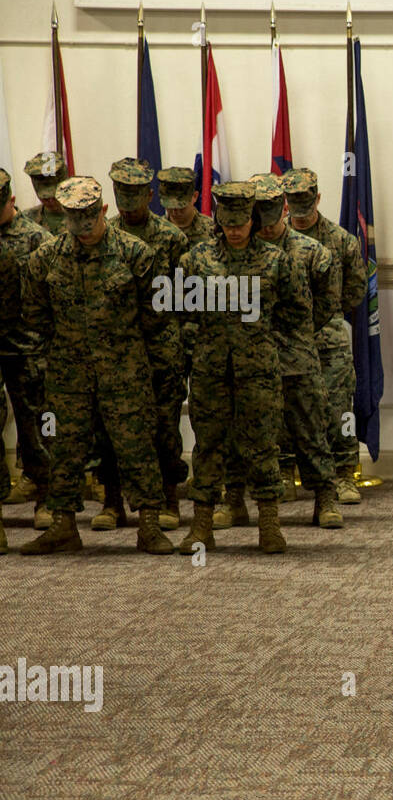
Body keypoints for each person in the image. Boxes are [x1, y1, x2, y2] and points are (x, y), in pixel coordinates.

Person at [19, 177, 175, 556]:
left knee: (136, 445)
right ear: (65, 216)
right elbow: (35, 313)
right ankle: (62, 525)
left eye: (90, 217)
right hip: (68, 371)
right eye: (75, 219)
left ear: (103, 210)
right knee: (64, 448)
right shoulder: (46, 257)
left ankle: (150, 524)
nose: (84, 227)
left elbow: (156, 315)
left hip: (124, 370)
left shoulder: (135, 254)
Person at [178, 181, 311, 555]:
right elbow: (181, 312)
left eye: (241, 223)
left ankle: (269, 523)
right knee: (208, 446)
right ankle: (201, 525)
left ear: (252, 220)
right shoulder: (196, 260)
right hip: (210, 369)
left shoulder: (276, 261)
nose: (235, 230)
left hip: (259, 369)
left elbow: (297, 312)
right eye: (228, 222)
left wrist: (265, 342)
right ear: (219, 218)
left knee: (263, 445)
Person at [208, 173, 341, 531]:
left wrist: (287, 333)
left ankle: (324, 496)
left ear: (283, 208)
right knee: (239, 430)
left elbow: (324, 306)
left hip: (294, 353)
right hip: (245, 357)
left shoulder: (313, 252)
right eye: (258, 213)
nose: (265, 222)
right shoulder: (227, 252)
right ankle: (235, 499)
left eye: (271, 212)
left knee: (309, 426)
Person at [96, 157, 188, 532]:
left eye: (136, 194)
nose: (129, 201)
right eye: (122, 193)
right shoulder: (104, 235)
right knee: (110, 428)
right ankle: (112, 501)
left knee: (164, 427)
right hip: (116, 353)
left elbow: (186, 300)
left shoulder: (172, 239)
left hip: (160, 350)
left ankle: (168, 499)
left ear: (150, 194)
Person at [281, 167, 366, 505]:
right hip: (287, 336)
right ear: (285, 203)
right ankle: (285, 472)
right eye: (294, 203)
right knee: (284, 406)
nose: (301, 210)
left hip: (329, 335)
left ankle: (345, 474)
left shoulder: (341, 240)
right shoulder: (274, 239)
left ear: (317, 198)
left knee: (338, 408)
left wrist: (324, 315)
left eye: (306, 202)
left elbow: (356, 290)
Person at [0, 167, 54, 548]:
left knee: (37, 426)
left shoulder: (38, 239)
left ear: (10, 201)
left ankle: (46, 497)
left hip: (27, 345)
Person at [158, 166, 216, 389]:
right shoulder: (156, 232)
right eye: (170, 205)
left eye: (181, 205)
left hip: (205, 332)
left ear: (194, 197)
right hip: (168, 334)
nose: (176, 211)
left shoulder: (214, 232)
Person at [22, 152, 68, 235]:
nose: (50, 201)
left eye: (54, 196)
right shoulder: (27, 220)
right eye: (45, 198)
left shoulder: (84, 216)